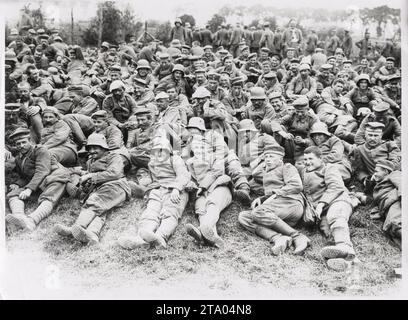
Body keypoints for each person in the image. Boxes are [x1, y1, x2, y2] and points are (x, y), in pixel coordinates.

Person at [54, 133, 131, 244]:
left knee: (94, 202)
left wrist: (91, 176)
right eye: (90, 148)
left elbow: (115, 173)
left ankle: (76, 227)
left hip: (116, 186)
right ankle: (92, 234)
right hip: (100, 189)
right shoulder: (90, 161)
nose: (92, 151)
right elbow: (90, 177)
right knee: (99, 211)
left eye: (96, 148)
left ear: (104, 148)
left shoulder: (113, 157)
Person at [118, 137, 191, 249]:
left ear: (168, 151)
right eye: (155, 151)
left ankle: (161, 237)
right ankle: (141, 239)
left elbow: (183, 175)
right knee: (150, 213)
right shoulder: (153, 163)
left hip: (175, 190)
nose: (159, 154)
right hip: (159, 190)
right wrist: (150, 191)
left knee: (170, 212)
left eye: (162, 150)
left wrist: (177, 189)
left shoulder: (175, 159)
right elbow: (155, 180)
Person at [238, 144, 310, 255]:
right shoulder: (267, 172)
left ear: (280, 158)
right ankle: (278, 238)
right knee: (244, 217)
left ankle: (297, 236)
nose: (267, 160)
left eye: (271, 157)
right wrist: (262, 199)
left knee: (258, 212)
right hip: (277, 210)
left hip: (291, 204)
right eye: (266, 157)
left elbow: (296, 185)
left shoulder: (287, 167)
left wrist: (273, 196)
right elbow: (255, 173)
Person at [301, 146, 356, 271]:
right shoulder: (304, 171)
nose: (307, 162)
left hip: (338, 200)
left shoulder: (329, 168)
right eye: (305, 159)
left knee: (335, 217)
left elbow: (336, 187)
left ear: (320, 159)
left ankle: (346, 248)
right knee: (327, 231)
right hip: (321, 210)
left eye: (311, 159)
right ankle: (346, 261)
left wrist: (321, 204)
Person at [6, 128, 69, 232]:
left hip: (54, 178)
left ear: (30, 141)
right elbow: (26, 177)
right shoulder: (19, 158)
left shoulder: (40, 150)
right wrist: (17, 184)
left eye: (24, 142)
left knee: (48, 196)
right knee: (13, 194)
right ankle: (19, 217)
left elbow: (42, 171)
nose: (21, 146)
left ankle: (32, 220)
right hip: (38, 183)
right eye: (18, 143)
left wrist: (29, 189)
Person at [184, 134, 232, 249]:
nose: (199, 150)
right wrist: (190, 185)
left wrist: (203, 186)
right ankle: (213, 237)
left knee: (212, 203)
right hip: (201, 193)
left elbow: (217, 172)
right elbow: (188, 178)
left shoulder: (216, 157)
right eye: (196, 148)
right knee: (200, 208)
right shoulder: (190, 163)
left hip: (219, 186)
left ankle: (202, 230)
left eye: (202, 147)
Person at [372, 160, 401, 248]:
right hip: (388, 207)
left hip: (397, 202)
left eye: (376, 171)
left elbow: (403, 184)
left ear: (385, 171)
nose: (374, 174)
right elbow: (375, 200)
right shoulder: (381, 183)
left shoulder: (394, 174)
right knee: (392, 229)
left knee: (395, 224)